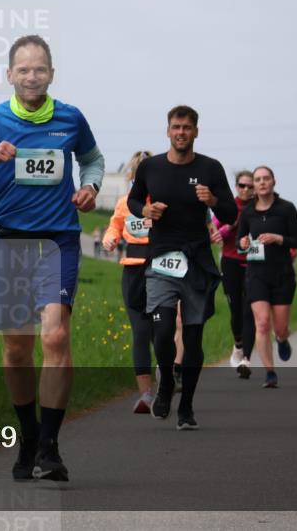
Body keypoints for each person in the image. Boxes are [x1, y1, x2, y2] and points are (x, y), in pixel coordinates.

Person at [0, 35, 104, 482]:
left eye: (40, 69)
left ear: (51, 73)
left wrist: (89, 188)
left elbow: (92, 160)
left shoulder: (71, 118)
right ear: (9, 75)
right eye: (24, 69)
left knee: (55, 338)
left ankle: (50, 447)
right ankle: (28, 434)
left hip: (58, 241)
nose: (32, 77)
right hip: (8, 243)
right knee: (17, 349)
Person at [127, 105, 237, 430]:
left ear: (196, 132)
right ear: (167, 131)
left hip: (197, 262)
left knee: (193, 338)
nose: (181, 132)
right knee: (161, 332)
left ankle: (186, 406)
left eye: (187, 127)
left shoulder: (211, 169)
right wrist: (145, 210)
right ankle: (165, 385)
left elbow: (231, 214)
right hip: (161, 259)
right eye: (176, 127)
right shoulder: (150, 167)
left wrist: (214, 202)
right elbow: (133, 201)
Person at [235, 166, 297, 388]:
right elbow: (239, 241)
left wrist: (277, 238)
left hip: (282, 274)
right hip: (256, 275)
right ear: (254, 185)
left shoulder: (286, 209)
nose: (262, 183)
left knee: (280, 328)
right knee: (262, 324)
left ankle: (282, 339)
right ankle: (270, 372)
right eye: (258, 179)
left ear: (274, 182)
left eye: (266, 179)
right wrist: (242, 243)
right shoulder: (248, 212)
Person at [102, 150, 156, 413]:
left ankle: (171, 378)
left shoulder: (162, 202)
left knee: (163, 333)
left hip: (160, 270)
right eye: (137, 175)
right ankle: (146, 395)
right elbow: (115, 225)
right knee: (141, 333)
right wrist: (109, 239)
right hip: (133, 272)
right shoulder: (124, 203)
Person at [212, 170, 255, 379]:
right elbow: (214, 233)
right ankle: (238, 345)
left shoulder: (260, 207)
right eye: (242, 185)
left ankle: (246, 357)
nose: (246, 189)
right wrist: (231, 226)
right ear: (236, 186)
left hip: (255, 263)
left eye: (250, 186)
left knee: (250, 310)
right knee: (236, 309)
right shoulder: (228, 205)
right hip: (230, 262)